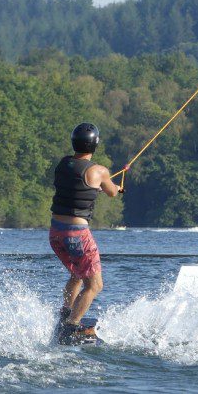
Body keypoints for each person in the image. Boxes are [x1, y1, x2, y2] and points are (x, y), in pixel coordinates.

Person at [50, 122, 123, 344]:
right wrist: (117, 187)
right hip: (77, 234)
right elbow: (111, 192)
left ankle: (64, 315)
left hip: (55, 234)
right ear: (95, 144)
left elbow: (79, 185)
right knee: (95, 285)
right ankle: (71, 327)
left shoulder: (63, 164)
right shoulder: (99, 171)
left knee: (77, 275)